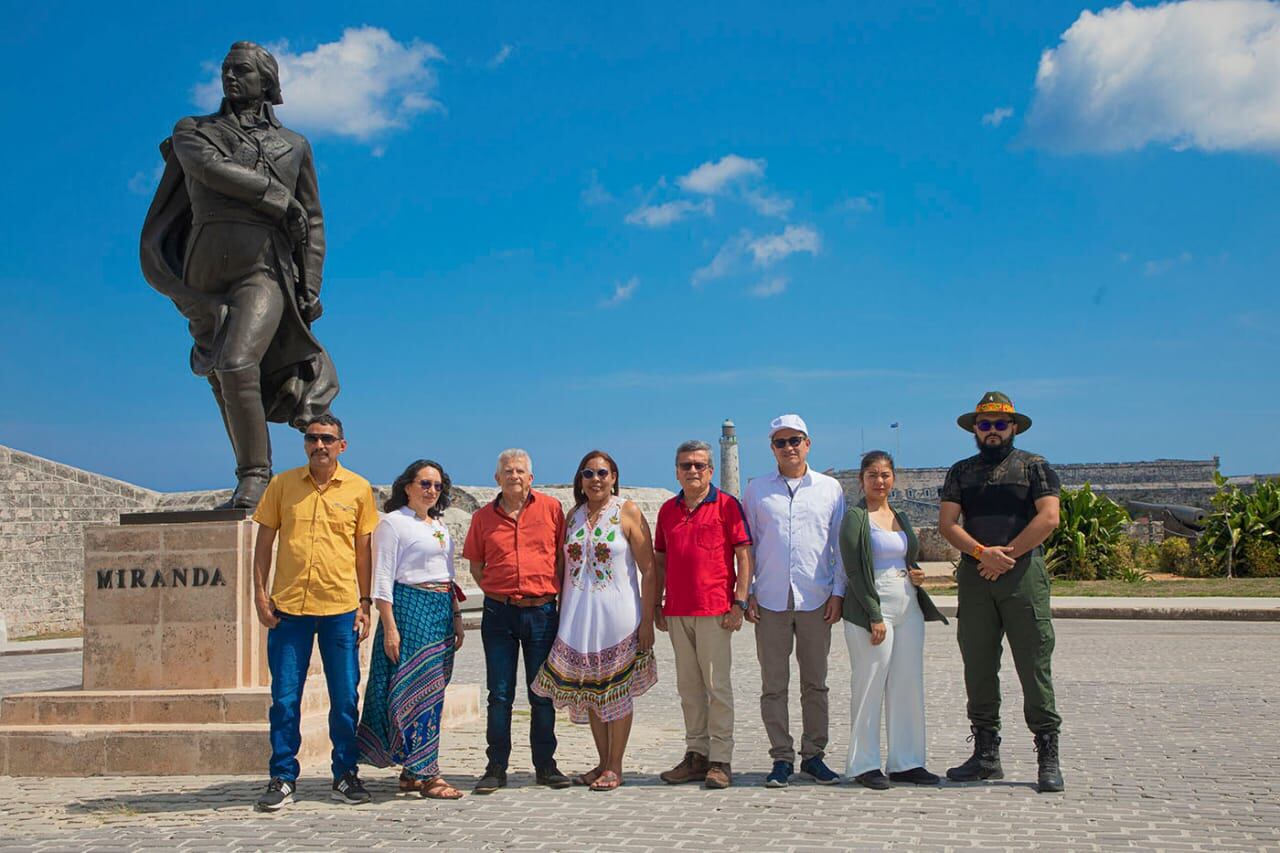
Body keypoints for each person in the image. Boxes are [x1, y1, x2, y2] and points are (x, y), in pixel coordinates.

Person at [140, 41, 338, 510]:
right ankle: (250, 473)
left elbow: (312, 220)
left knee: (236, 362)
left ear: (266, 82)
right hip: (203, 272)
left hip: (261, 267)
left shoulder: (295, 145)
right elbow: (209, 169)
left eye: (242, 70)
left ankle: (254, 476)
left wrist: (310, 284)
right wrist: (276, 198)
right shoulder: (194, 130)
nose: (231, 77)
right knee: (218, 372)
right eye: (227, 69)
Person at [250, 414, 378, 811]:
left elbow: (363, 552)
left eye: (327, 438)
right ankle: (282, 776)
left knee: (344, 697)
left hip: (340, 608)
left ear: (342, 445)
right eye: (312, 438)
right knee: (285, 698)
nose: (319, 445)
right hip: (290, 610)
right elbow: (264, 543)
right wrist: (259, 595)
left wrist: (365, 602)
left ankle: (345, 773)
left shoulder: (358, 488)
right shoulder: (282, 485)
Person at [938, 391, 1064, 793]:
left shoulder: (1034, 466)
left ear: (1013, 427)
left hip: (1022, 574)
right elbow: (947, 523)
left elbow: (1049, 517)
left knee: (1033, 663)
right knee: (977, 665)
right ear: (975, 429)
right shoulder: (961, 471)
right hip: (976, 576)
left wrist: (1007, 555)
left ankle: (1047, 756)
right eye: (984, 424)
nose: (992, 431)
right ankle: (986, 755)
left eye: (999, 424)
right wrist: (982, 554)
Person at [531, 450, 659, 791]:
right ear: (580, 479)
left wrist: (648, 620)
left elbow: (649, 568)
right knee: (591, 691)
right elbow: (563, 569)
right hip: (579, 616)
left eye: (602, 473)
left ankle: (615, 765)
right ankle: (602, 762)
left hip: (618, 615)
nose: (596, 479)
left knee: (617, 692)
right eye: (588, 473)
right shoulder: (573, 516)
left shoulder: (626, 511)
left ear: (614, 477)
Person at [742, 414, 845, 788]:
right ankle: (781, 757)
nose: (789, 447)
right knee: (774, 685)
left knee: (815, 683)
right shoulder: (756, 490)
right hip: (770, 598)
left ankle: (814, 755)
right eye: (781, 442)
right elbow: (747, 546)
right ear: (772, 448)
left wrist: (838, 592)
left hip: (816, 598)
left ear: (808, 443)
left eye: (795, 440)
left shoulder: (830, 489)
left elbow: (838, 545)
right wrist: (747, 592)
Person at [463, 449, 570, 794]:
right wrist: (498, 592)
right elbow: (476, 565)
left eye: (520, 470)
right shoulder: (482, 517)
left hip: (542, 613)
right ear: (497, 478)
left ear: (531, 477)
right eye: (508, 471)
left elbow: (561, 557)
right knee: (499, 694)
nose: (514, 476)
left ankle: (546, 765)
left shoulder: (551, 509)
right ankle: (496, 766)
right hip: (500, 614)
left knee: (542, 693)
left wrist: (550, 594)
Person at [356, 459, 465, 799]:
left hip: (440, 609)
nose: (432, 490)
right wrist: (389, 626)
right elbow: (383, 578)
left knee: (434, 690)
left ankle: (412, 771)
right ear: (407, 487)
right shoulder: (393, 523)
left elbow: (447, 575)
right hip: (410, 608)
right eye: (425, 483)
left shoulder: (438, 525)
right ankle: (428, 774)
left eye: (437, 485)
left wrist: (456, 616)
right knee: (415, 687)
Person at [840, 450, 948, 790]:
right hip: (872, 605)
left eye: (885, 475)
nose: (879, 481)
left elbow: (906, 557)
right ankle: (864, 764)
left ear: (894, 479)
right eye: (872, 475)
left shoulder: (899, 514)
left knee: (907, 684)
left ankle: (907, 762)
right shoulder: (855, 518)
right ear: (861, 480)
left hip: (908, 605)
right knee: (870, 683)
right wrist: (874, 614)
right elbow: (855, 571)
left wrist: (917, 574)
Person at [654, 440, 753, 790]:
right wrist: (656, 604)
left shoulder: (727, 505)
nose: (692, 471)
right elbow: (661, 560)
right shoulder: (668, 511)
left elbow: (743, 555)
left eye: (699, 465)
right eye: (686, 465)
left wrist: (740, 602)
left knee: (717, 687)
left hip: (715, 610)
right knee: (689, 688)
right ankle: (696, 754)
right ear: (676, 471)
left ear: (711, 470)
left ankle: (720, 759)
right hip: (678, 611)